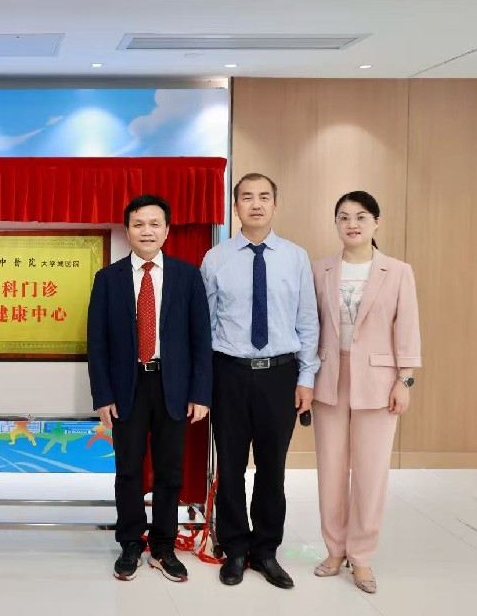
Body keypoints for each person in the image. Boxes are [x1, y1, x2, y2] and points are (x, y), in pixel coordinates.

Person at [200, 173, 319, 589]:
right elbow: (205, 325)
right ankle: (234, 548)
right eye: (247, 197)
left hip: (280, 375)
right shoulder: (216, 258)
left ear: (275, 205)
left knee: (272, 469)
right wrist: (204, 383)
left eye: (264, 197)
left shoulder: (295, 257)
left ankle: (266, 551)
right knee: (230, 467)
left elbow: (308, 321)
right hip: (229, 373)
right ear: (235, 207)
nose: (256, 204)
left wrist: (306, 377)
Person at [87, 194, 212, 582]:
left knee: (169, 470)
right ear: (127, 231)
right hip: (127, 387)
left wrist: (200, 392)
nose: (147, 231)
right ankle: (129, 542)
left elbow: (200, 339)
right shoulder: (107, 279)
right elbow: (97, 343)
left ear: (167, 230)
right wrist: (103, 395)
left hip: (173, 386)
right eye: (139, 224)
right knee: (127, 469)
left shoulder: (187, 276)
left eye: (155, 224)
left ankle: (162, 546)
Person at [311, 191, 420, 594]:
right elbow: (310, 325)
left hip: (378, 381)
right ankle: (334, 549)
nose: (352, 224)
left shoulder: (398, 271)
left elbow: (407, 328)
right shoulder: (320, 269)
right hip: (328, 377)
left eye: (360, 216)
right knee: (331, 469)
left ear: (376, 222)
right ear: (336, 224)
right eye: (343, 217)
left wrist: (404, 379)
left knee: (371, 471)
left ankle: (361, 556)